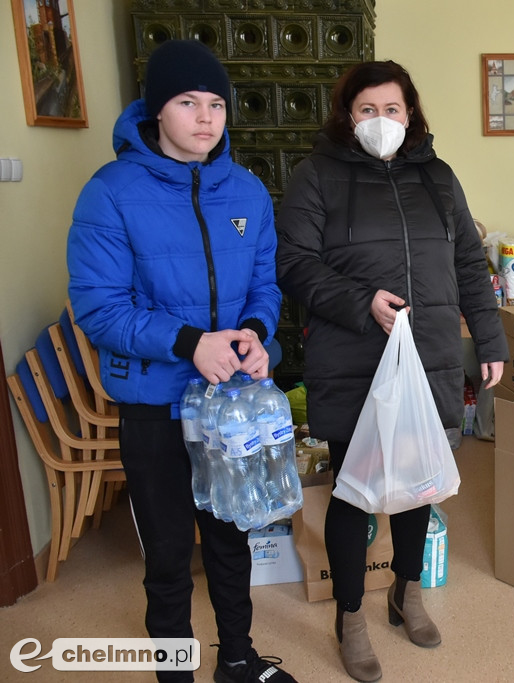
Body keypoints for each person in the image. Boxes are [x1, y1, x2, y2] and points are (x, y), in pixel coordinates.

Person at [66, 40, 295, 683]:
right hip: (154, 407)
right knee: (167, 553)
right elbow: (99, 309)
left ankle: (240, 660)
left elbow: (265, 288)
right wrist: (190, 341)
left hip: (230, 406)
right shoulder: (109, 194)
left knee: (231, 538)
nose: (205, 117)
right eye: (187, 102)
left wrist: (255, 332)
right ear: (155, 111)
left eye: (216, 103)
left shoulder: (247, 191)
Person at [276, 60, 508, 682]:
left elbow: (467, 264)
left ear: (412, 114)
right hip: (354, 360)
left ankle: (408, 594)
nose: (382, 121)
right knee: (355, 494)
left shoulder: (437, 177)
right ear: (347, 116)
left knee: (417, 488)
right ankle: (350, 616)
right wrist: (362, 302)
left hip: (427, 356)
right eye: (367, 110)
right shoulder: (317, 176)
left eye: (393, 109)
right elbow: (294, 264)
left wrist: (488, 338)